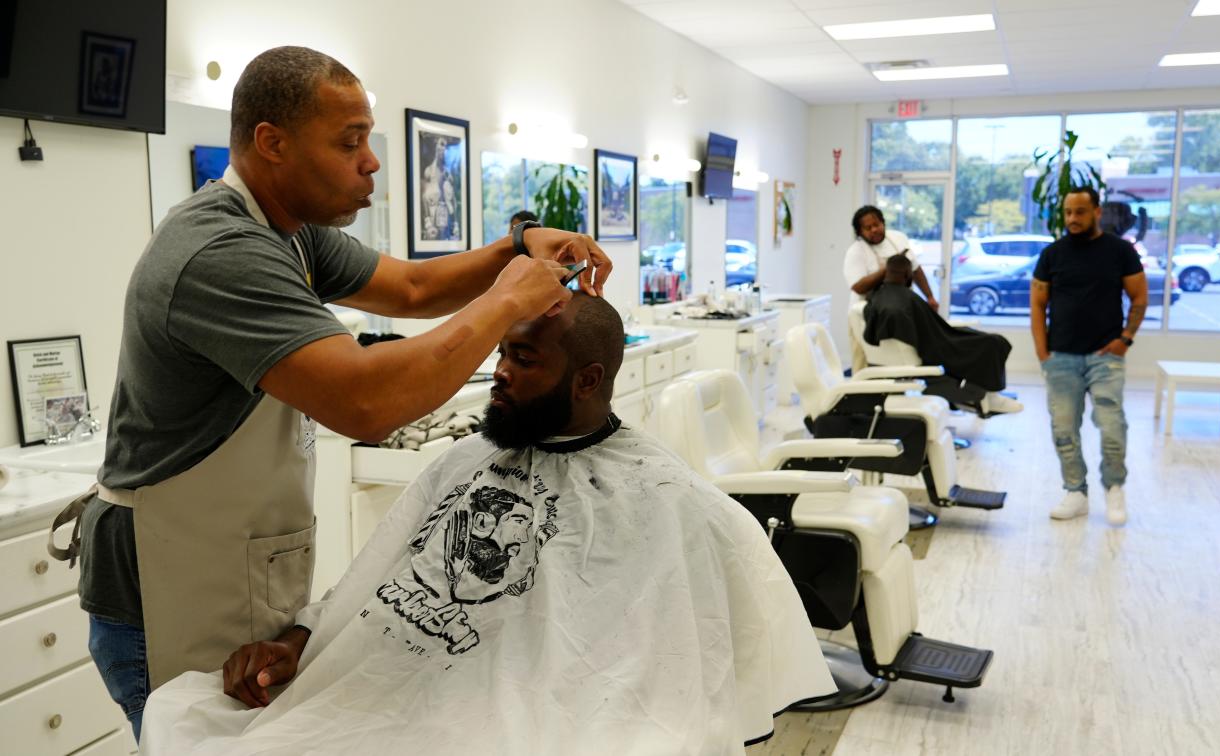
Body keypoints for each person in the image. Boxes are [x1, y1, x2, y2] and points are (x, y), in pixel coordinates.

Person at [48, 45, 613, 741]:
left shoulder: (288, 233)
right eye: (350, 142)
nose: (372, 160)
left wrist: (518, 245)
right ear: (272, 143)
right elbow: (363, 403)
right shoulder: (219, 252)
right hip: (163, 593)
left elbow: (413, 288)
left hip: (230, 569)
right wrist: (504, 303)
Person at [138, 294, 834, 754]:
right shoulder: (466, 459)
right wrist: (295, 641)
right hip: (395, 694)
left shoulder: (671, 497)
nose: (497, 374)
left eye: (522, 360)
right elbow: (372, 577)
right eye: (501, 353)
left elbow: (678, 672)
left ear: (587, 381)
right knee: (185, 720)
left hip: (536, 723)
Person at [1031, 186, 1146, 526]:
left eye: (1080, 212)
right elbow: (1037, 305)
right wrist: (1043, 353)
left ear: (1097, 211)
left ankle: (1114, 489)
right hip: (1061, 356)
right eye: (1068, 212)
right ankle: (1076, 492)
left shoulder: (1120, 251)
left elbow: (1139, 298)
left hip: (1105, 356)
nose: (1072, 219)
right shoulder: (1053, 254)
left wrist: (1125, 340)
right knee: (1064, 429)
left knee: (1112, 426)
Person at [864, 254, 1022, 415]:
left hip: (933, 339)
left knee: (982, 339)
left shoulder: (878, 297)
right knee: (993, 342)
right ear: (908, 275)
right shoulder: (903, 300)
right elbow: (929, 329)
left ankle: (989, 394)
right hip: (936, 344)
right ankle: (990, 394)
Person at [842, 205, 939, 373]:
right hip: (866, 315)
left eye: (877, 224)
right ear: (860, 232)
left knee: (900, 358)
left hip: (897, 310)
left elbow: (915, 269)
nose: (874, 230)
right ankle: (863, 396)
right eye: (868, 228)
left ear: (883, 223)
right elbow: (858, 286)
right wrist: (889, 269)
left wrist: (929, 297)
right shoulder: (856, 252)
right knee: (865, 363)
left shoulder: (898, 239)